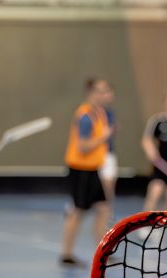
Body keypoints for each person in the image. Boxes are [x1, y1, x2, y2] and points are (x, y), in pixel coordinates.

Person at [61, 78, 113, 266]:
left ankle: (103, 252)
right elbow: (83, 147)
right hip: (80, 170)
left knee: (103, 208)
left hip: (93, 169)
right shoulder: (85, 116)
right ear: (92, 93)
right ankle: (66, 255)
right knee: (77, 211)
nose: (106, 94)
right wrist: (103, 138)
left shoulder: (100, 113)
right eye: (101, 91)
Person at [99, 83, 118, 207]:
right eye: (106, 92)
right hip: (93, 156)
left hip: (107, 154)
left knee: (108, 188)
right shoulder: (89, 113)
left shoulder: (110, 113)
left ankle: (106, 214)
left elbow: (111, 131)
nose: (110, 95)